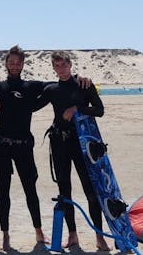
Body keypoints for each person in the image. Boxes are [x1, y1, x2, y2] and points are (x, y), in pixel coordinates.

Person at [0, 45, 91, 251]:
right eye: (11, 63)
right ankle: (5, 236)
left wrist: (82, 77)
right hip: (2, 145)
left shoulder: (32, 86)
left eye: (18, 63)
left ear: (23, 64)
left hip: (24, 146)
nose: (15, 66)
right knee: (3, 191)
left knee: (30, 190)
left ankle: (38, 231)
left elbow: (60, 82)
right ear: (6, 64)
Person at [34, 50, 110, 251]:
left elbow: (99, 110)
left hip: (81, 143)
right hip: (59, 143)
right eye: (56, 66)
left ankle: (99, 235)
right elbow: (31, 105)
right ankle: (73, 235)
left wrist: (77, 108)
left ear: (70, 64)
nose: (61, 69)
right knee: (64, 190)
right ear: (53, 67)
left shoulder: (84, 84)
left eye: (63, 65)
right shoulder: (52, 89)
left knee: (90, 189)